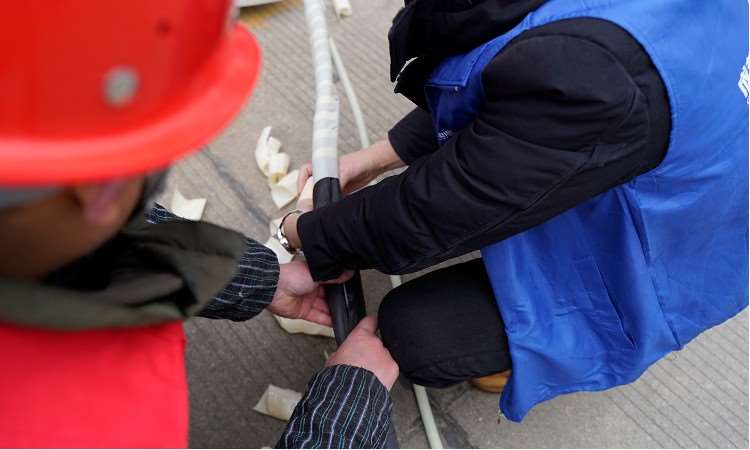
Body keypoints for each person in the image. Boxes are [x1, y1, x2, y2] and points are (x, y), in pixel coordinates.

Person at [288, 0, 749, 421]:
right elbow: (508, 81)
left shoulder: (593, 70)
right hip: (668, 157)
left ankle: (522, 358)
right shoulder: (579, 56)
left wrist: (309, 236)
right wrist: (373, 159)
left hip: (677, 254)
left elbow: (437, 210)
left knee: (413, 333)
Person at [0, 1, 397, 448]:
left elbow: (88, 240)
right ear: (98, 191)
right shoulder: (89, 424)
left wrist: (256, 279)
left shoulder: (36, 225)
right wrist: (345, 416)